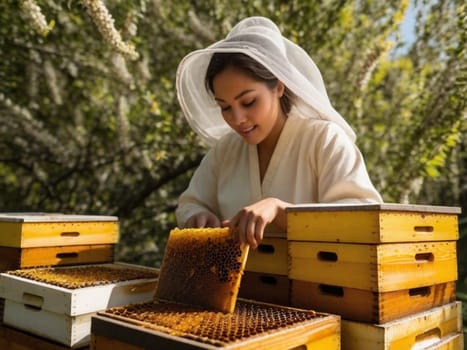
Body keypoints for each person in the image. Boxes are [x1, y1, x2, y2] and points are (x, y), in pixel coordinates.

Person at [175, 16, 383, 249]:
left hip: (316, 283)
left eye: (249, 102)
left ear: (280, 86)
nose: (237, 119)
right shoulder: (226, 151)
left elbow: (365, 219)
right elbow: (190, 204)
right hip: (238, 284)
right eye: (225, 107)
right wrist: (199, 217)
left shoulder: (324, 140)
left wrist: (282, 211)